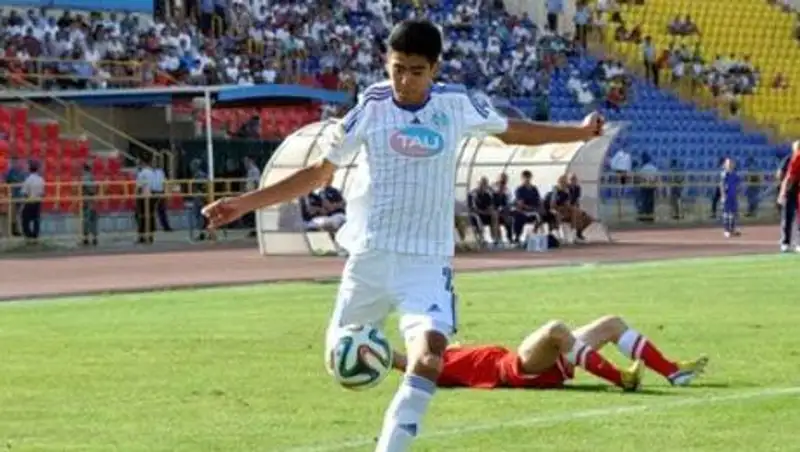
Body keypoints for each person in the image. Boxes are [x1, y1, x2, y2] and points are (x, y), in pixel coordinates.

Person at [201, 19, 604, 452]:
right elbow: (318, 173)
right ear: (386, 63)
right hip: (370, 260)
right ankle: (368, 353)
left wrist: (579, 132)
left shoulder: (456, 104)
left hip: (426, 263)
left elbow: (514, 131)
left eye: (416, 71)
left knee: (429, 357)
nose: (405, 80)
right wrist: (244, 203)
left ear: (434, 69)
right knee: (340, 360)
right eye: (397, 69)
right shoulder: (370, 107)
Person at [392, 315, 709, 391]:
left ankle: (672, 371)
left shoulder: (448, 350)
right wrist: (377, 349)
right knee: (555, 328)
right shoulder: (431, 364)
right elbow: (408, 363)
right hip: (513, 369)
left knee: (612, 323)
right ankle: (622, 378)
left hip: (528, 361)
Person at [777, 141, 800, 252]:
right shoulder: (788, 159)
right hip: (790, 191)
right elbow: (781, 174)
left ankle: (798, 243)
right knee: (787, 217)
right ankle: (785, 242)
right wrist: (783, 189)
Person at [720, 157, 741, 238]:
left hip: (733, 196)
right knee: (726, 213)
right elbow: (722, 185)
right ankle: (726, 230)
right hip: (727, 196)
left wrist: (738, 193)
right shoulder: (724, 174)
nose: (730, 165)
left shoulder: (735, 174)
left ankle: (732, 229)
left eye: (731, 163)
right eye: (728, 163)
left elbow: (738, 185)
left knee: (733, 213)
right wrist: (723, 195)